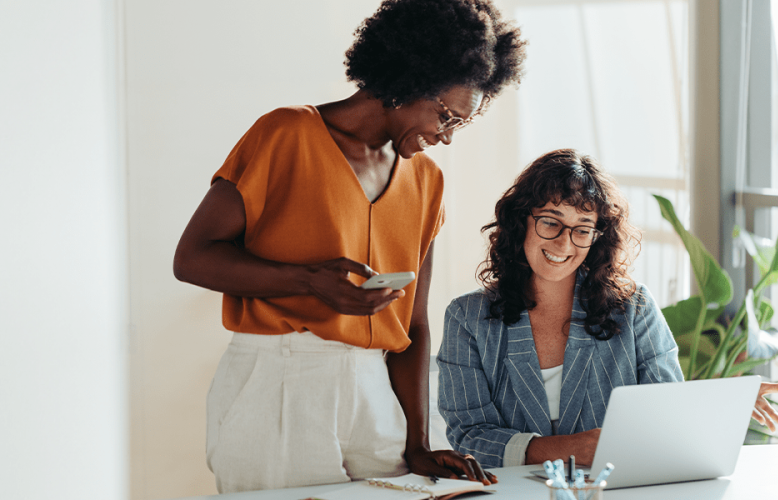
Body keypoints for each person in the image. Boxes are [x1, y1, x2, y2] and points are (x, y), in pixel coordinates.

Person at [172, 0, 526, 493]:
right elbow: (192, 257)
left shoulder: (426, 180)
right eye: (445, 115)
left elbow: (414, 324)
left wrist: (418, 443)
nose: (444, 137)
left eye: (458, 125)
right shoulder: (285, 133)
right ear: (409, 77)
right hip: (279, 378)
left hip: (374, 390)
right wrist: (306, 281)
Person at [437, 149, 778, 468]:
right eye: (550, 221)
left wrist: (723, 402)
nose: (564, 241)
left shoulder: (634, 308)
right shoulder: (467, 318)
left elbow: (664, 411)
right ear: (521, 222)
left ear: (597, 238)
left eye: (582, 229)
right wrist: (565, 448)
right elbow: (469, 436)